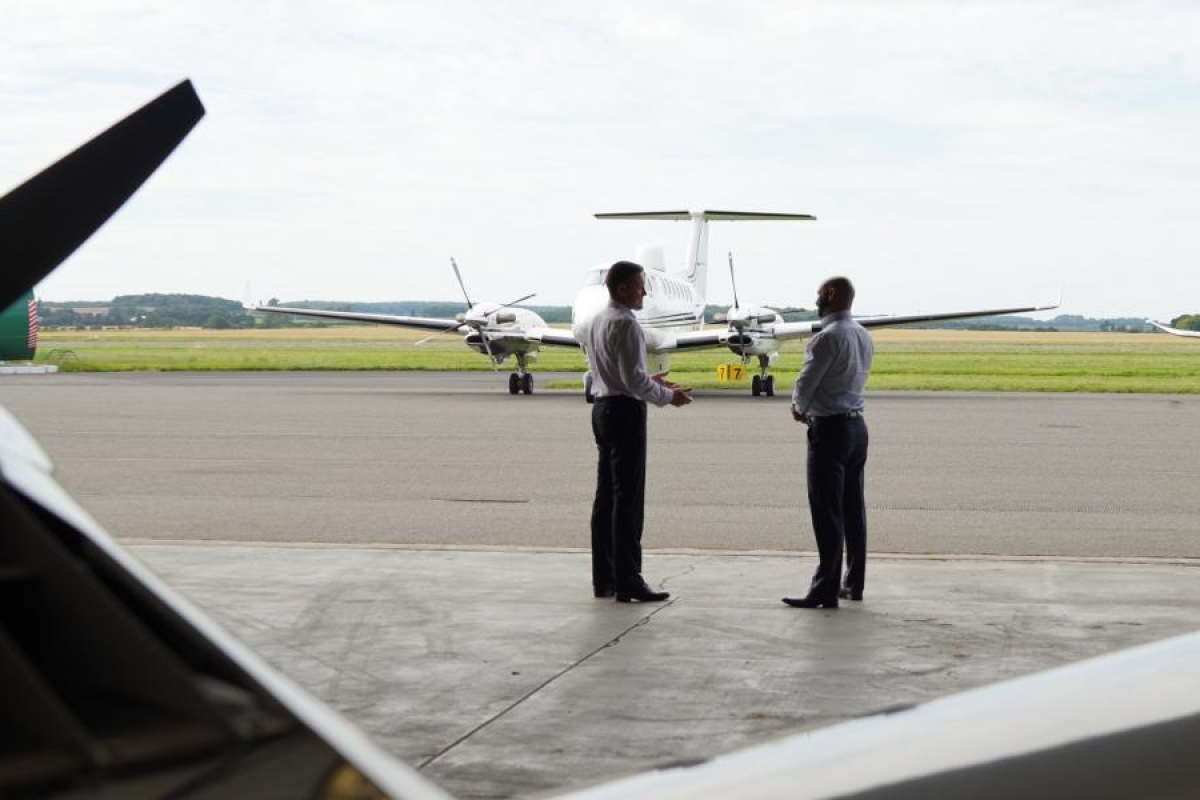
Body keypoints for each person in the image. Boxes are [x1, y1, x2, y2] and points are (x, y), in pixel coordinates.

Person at [588, 261, 692, 602]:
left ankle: (604, 577)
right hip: (625, 412)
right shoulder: (628, 324)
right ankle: (628, 580)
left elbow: (615, 372)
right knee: (628, 501)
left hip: (603, 408)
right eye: (639, 285)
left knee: (606, 498)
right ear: (621, 289)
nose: (644, 292)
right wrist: (668, 396)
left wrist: (651, 382)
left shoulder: (598, 320)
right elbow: (633, 380)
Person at [783, 276, 874, 609]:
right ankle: (854, 582)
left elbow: (806, 382)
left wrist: (798, 407)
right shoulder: (863, 335)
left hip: (830, 430)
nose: (817, 297)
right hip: (857, 428)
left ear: (832, 295)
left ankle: (824, 589)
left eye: (820, 293)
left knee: (826, 510)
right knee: (853, 509)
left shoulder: (826, 338)